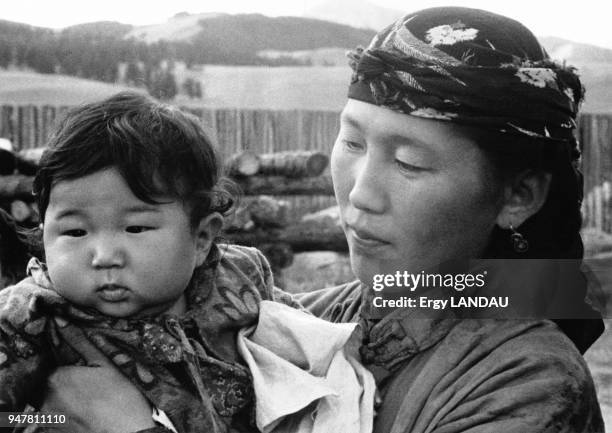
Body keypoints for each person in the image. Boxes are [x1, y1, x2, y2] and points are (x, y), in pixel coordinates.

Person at [37, 6, 606, 433]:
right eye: (351, 142)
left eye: (409, 162)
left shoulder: (525, 385)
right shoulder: (303, 320)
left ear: (519, 195)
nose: (358, 194)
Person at [0, 92, 375, 433]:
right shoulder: (31, 316)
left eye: (135, 228)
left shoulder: (236, 278)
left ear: (201, 239)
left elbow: (307, 341)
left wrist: (348, 375)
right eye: (76, 233)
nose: (103, 256)